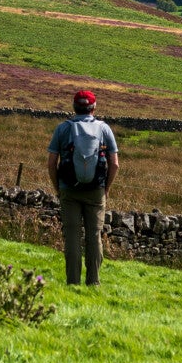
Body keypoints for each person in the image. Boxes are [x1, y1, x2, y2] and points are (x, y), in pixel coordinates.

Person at [46, 89, 120, 286]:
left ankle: (73, 282)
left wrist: (58, 188)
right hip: (96, 191)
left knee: (72, 237)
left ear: (74, 107)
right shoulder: (104, 129)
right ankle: (93, 282)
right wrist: (106, 188)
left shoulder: (62, 129)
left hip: (68, 189)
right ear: (94, 107)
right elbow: (114, 164)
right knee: (94, 237)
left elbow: (51, 163)